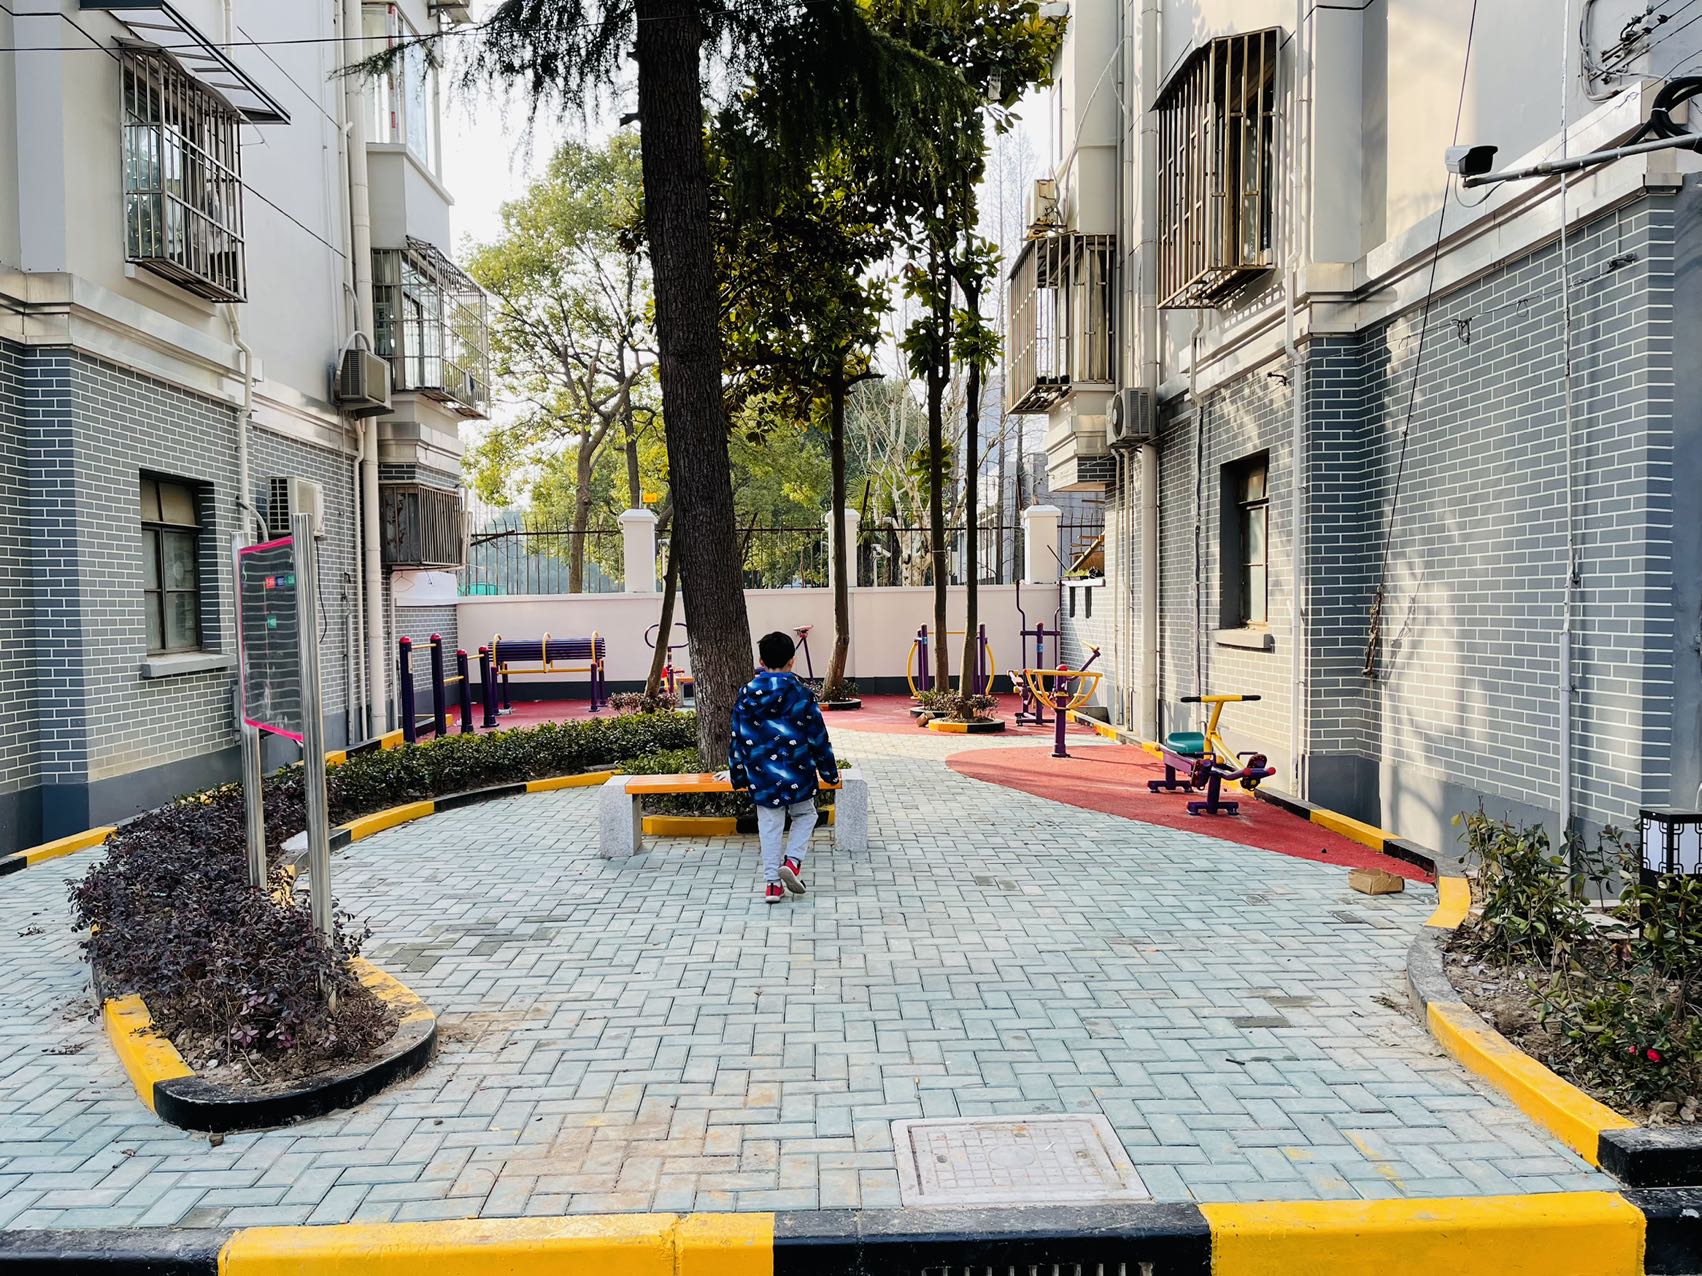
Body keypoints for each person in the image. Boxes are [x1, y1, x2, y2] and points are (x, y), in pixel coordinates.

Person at [721, 630, 840, 904]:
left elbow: (737, 737)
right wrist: (829, 773)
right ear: (792, 661)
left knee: (769, 825)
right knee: (806, 815)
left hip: (762, 774)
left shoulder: (746, 694)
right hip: (798, 771)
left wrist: (738, 774)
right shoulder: (802, 694)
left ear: (761, 661)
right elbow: (818, 737)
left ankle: (773, 885)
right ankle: (793, 862)